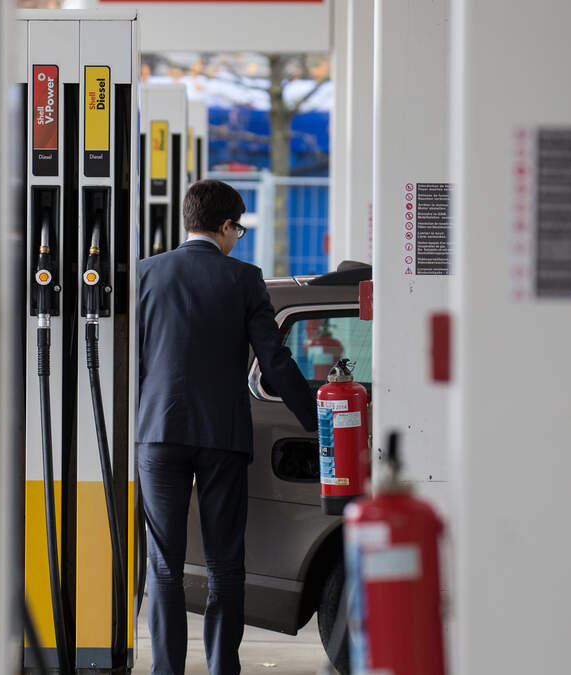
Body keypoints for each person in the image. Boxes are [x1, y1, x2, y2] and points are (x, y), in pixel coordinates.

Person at [136, 179, 319, 675]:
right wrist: (319, 426)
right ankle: (221, 669)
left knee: (164, 565)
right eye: (237, 228)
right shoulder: (244, 278)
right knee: (224, 564)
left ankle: (167, 670)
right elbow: (276, 363)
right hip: (222, 436)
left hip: (158, 433)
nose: (238, 237)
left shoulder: (145, 275)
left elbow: (130, 361)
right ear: (223, 226)